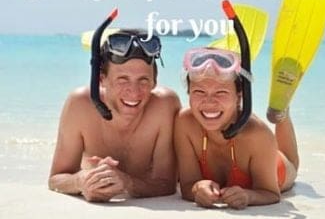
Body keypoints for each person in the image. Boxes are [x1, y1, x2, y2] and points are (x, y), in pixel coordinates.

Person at [48, 27, 180, 202]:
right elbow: (56, 179)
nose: (134, 92)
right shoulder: (80, 105)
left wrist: (127, 183)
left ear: (155, 81)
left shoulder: (165, 106)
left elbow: (166, 184)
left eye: (143, 80)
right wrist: (81, 181)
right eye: (122, 79)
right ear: (101, 79)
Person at [174, 47, 299, 209]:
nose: (209, 102)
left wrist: (249, 196)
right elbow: (187, 185)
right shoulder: (184, 123)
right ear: (188, 93)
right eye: (199, 91)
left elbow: (272, 194)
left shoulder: (258, 135)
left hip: (276, 168)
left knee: (291, 164)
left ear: (239, 96)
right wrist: (197, 189)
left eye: (221, 92)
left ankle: (281, 112)